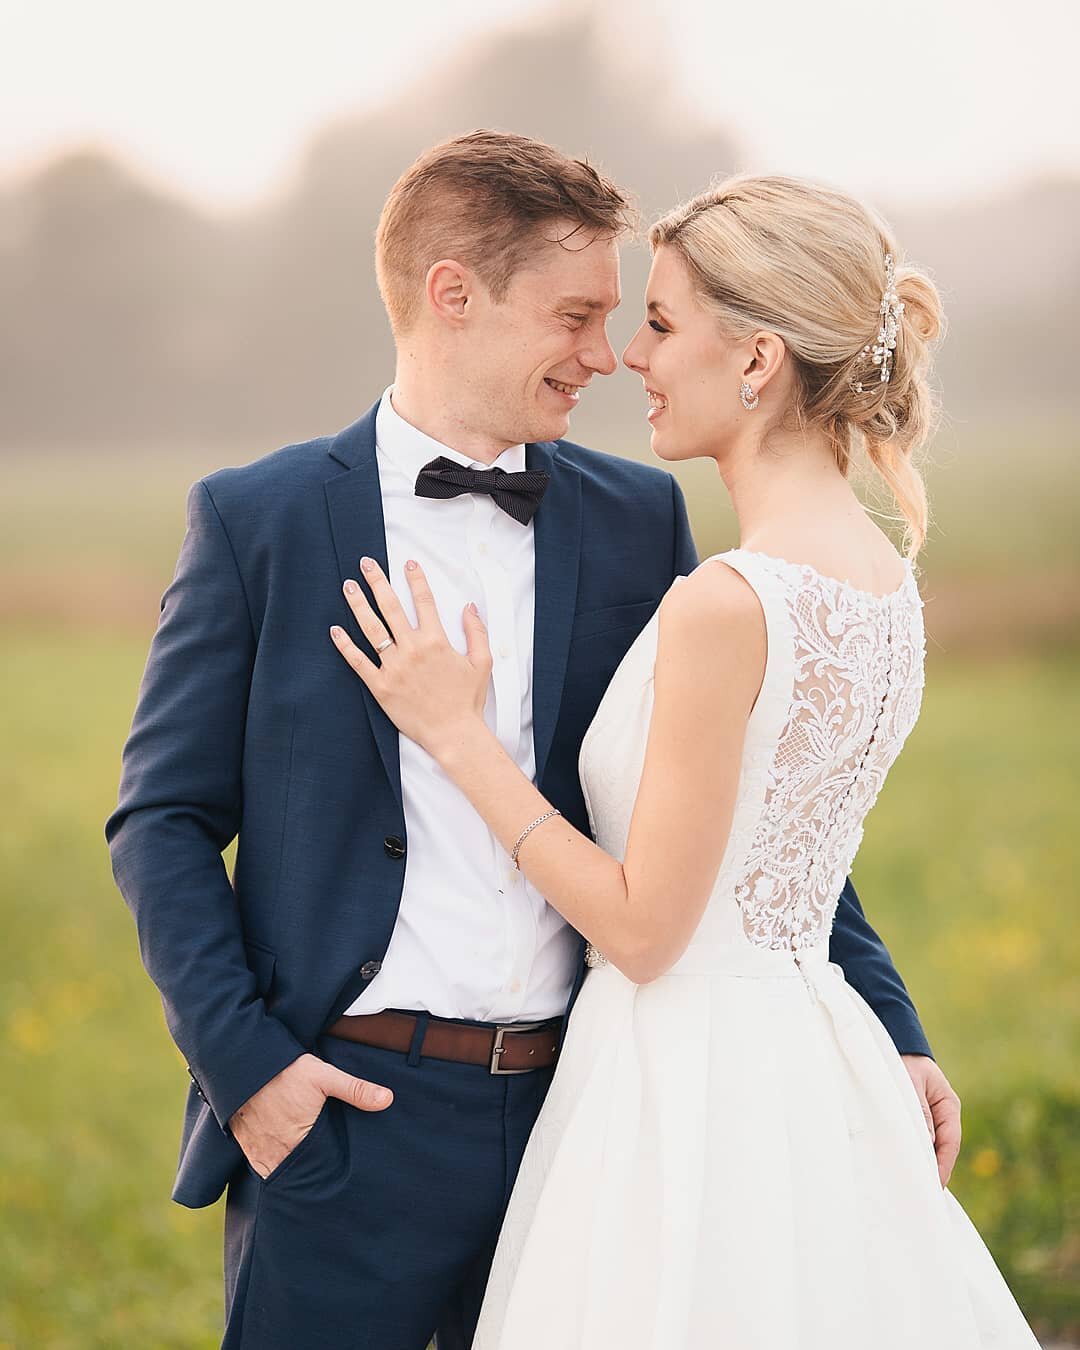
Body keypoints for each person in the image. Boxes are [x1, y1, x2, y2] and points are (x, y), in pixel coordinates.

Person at [106, 133, 952, 1350]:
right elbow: (162, 823)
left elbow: (744, 814)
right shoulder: (262, 520)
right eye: (576, 317)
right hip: (347, 1128)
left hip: (593, 1116)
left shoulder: (636, 516)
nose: (605, 360)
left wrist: (891, 1026)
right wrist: (252, 1074)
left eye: (625, 320)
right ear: (454, 297)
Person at [331, 175, 1040, 1346]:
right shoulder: (882, 579)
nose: (629, 359)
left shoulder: (729, 603)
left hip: (685, 1089)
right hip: (820, 1066)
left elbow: (646, 928)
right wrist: (901, 1036)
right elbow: (780, 855)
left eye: (659, 324)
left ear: (757, 361)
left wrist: (457, 735)